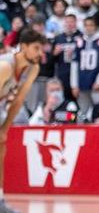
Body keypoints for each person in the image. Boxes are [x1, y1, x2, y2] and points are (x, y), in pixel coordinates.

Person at [0, 29, 42, 213]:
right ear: (23, 47)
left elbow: (18, 100)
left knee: (1, 148)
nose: (40, 53)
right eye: (36, 48)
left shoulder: (33, 68)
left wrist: (4, 129)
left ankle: (0, 201)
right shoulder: (5, 67)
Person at [69, 17, 99, 113]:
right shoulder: (79, 42)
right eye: (86, 25)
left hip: (96, 83)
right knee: (83, 111)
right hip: (82, 82)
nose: (88, 28)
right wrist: (74, 85)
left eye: (91, 25)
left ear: (96, 27)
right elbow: (74, 64)